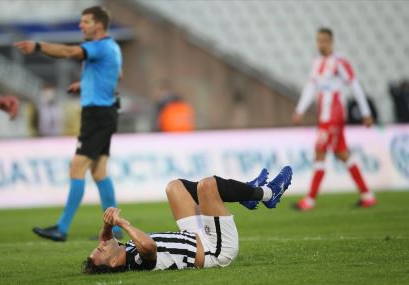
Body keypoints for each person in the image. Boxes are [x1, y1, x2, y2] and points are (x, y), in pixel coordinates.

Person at [13, 6, 123, 241]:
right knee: (99, 171)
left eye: (86, 21)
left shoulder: (98, 46)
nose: (80, 25)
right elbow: (117, 74)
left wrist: (38, 46)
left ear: (99, 25)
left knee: (77, 167)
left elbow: (67, 51)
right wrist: (85, 85)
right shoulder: (113, 47)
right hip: (107, 113)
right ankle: (115, 229)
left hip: (97, 115)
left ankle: (61, 228)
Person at [83, 166, 292, 273]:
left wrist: (107, 223)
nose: (101, 245)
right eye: (101, 250)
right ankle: (267, 193)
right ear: (112, 262)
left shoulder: (123, 249)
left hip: (193, 236)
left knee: (174, 187)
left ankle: (245, 192)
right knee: (207, 186)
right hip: (214, 250)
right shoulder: (136, 261)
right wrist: (122, 223)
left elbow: (104, 236)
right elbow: (149, 246)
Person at [293, 27, 376, 211]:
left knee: (319, 151)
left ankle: (310, 200)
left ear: (331, 41)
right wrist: (300, 109)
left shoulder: (340, 62)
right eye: (318, 40)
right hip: (324, 115)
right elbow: (310, 87)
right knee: (341, 153)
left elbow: (354, 86)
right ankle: (367, 195)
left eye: (324, 40)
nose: (321, 44)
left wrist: (366, 112)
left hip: (334, 115)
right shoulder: (316, 62)